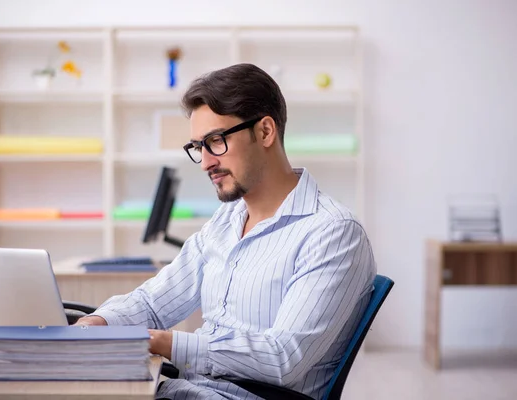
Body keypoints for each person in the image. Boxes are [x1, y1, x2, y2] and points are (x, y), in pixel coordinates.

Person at [76, 63, 377, 400]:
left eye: (215, 141)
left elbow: (284, 358)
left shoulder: (332, 233)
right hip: (186, 388)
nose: (205, 162)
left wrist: (162, 342)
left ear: (265, 132)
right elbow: (155, 300)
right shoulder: (226, 220)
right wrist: (101, 322)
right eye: (197, 147)